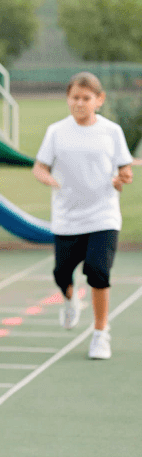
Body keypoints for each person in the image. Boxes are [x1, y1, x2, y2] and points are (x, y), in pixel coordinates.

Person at [33, 72, 133, 359]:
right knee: (61, 273)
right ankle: (69, 301)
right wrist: (47, 178)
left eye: (86, 98)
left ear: (98, 101)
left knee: (98, 272)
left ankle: (101, 334)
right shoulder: (56, 132)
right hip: (67, 219)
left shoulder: (111, 132)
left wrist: (121, 179)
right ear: (68, 99)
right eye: (74, 98)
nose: (79, 103)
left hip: (103, 216)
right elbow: (39, 167)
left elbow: (124, 169)